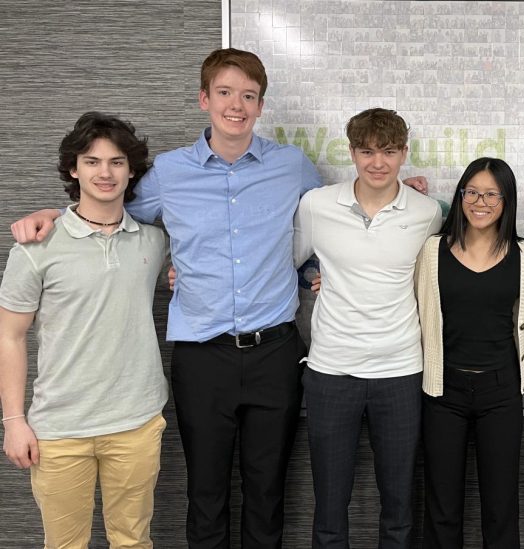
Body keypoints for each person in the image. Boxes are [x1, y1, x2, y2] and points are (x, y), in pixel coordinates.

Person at [10, 48, 322, 548]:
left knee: (268, 492)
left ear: (261, 106)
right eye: (224, 93)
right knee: (205, 493)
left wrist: (405, 192)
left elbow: (332, 216)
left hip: (276, 352)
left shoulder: (291, 166)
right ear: (204, 99)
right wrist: (51, 212)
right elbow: (106, 199)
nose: (236, 105)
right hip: (202, 356)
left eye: (249, 96)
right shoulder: (170, 173)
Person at [0, 112, 168, 548]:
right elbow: (9, 336)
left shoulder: (154, 242)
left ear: (132, 171)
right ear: (73, 169)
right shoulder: (36, 246)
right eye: (91, 161)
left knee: (133, 541)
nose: (105, 172)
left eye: (116, 161)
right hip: (59, 428)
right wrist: (14, 421)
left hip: (136, 422)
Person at [293, 107, 442, 549]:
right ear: (352, 152)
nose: (378, 162)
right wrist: (312, 277)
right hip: (330, 371)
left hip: (399, 372)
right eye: (367, 151)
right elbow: (289, 262)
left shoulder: (427, 212)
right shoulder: (317, 204)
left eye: (389, 151)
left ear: (404, 154)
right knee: (329, 508)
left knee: (398, 508)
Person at [416, 157, 524, 549]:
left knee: (501, 508)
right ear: (460, 196)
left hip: (501, 393)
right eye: (472, 192)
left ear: (507, 201)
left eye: (491, 194)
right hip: (443, 391)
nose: (480, 201)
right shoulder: (433, 250)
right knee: (441, 507)